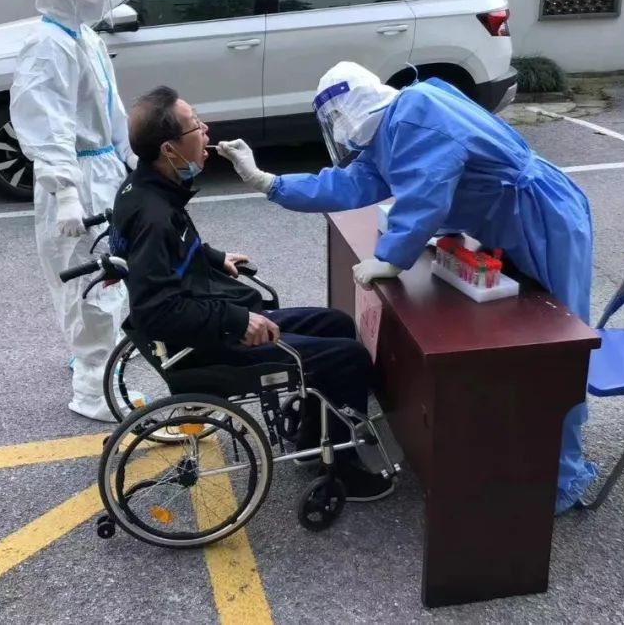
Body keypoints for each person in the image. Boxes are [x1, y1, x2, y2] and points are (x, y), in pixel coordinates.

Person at [217, 61, 598, 515]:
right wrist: (269, 182)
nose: (338, 129)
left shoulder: (416, 112)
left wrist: (391, 258)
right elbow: (347, 185)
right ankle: (518, 448)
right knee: (521, 342)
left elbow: (426, 192)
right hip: (506, 220)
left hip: (541, 216)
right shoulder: (389, 130)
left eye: (335, 117)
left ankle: (563, 474)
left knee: (558, 346)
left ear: (349, 107)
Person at [109, 85, 395, 502]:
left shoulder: (144, 189)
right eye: (195, 126)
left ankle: (314, 439)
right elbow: (156, 309)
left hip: (208, 314)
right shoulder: (154, 215)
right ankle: (346, 472)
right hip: (206, 344)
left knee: (336, 322)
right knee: (348, 357)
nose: (205, 131)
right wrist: (238, 320)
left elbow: (170, 252)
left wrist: (212, 258)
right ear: (169, 149)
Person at [9, 0, 137, 422]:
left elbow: (111, 109)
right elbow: (47, 123)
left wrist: (130, 156)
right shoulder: (47, 46)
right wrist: (65, 190)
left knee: (109, 275)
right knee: (90, 284)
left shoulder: (85, 38)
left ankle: (97, 359)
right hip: (76, 177)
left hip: (101, 171)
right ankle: (94, 389)